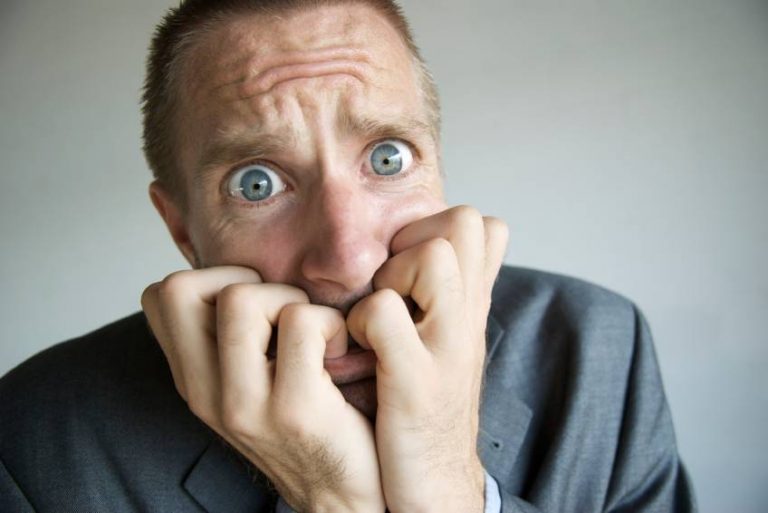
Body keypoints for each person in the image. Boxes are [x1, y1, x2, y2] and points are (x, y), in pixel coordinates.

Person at [0, 1, 696, 512]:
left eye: (387, 158)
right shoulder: (36, 444)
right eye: (256, 183)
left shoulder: (597, 346)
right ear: (183, 230)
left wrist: (448, 486)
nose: (348, 257)